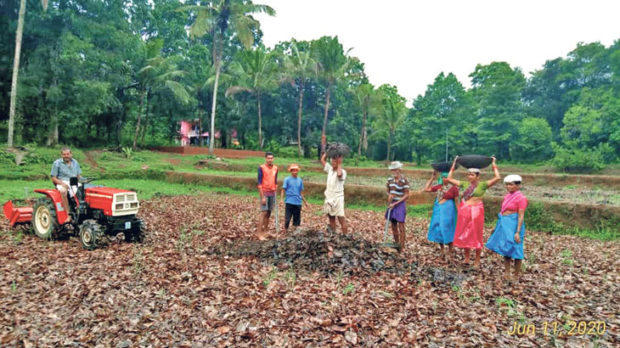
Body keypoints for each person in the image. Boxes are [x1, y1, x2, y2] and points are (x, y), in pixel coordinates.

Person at [444, 156, 501, 269]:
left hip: (477, 211)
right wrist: (454, 163)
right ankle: (466, 258)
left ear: (478, 176)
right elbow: (449, 178)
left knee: (476, 234)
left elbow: (498, 177)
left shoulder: (483, 185)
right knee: (466, 233)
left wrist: (494, 163)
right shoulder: (464, 184)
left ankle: (477, 260)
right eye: (468, 174)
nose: (469, 176)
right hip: (465, 210)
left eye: (472, 174)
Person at [486, 175, 528, 281]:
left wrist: (517, 232)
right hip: (505, 224)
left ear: (518, 185)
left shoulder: (521, 198)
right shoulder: (507, 196)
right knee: (506, 249)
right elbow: (502, 212)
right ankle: (507, 273)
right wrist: (496, 227)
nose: (508, 187)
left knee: (517, 249)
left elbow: (520, 215)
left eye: (511, 184)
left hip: (514, 225)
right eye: (507, 184)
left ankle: (516, 275)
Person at [424, 170, 459, 261]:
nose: (444, 179)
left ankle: (451, 249)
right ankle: (442, 249)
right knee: (438, 227)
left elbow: (456, 202)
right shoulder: (439, 187)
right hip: (438, 209)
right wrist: (432, 177)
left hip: (448, 210)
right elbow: (426, 189)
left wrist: (459, 212)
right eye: (443, 177)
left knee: (447, 227)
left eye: (446, 177)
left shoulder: (454, 188)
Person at [50, 147, 82, 223]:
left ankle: (79, 208)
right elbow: (53, 178)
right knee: (63, 191)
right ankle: (68, 214)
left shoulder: (75, 162)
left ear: (71, 154)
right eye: (64, 154)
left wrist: (84, 181)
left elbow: (78, 176)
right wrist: (62, 184)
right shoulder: (57, 163)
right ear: (61, 155)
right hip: (62, 181)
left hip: (74, 181)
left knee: (84, 190)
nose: (66, 156)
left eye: (68, 154)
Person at [385, 161, 410, 252]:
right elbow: (388, 190)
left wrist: (396, 203)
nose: (394, 172)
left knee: (401, 225)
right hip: (391, 203)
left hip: (400, 203)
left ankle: (402, 246)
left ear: (399, 170)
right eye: (392, 170)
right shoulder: (389, 180)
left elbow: (407, 195)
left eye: (396, 170)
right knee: (393, 224)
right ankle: (396, 244)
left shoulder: (404, 180)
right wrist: (389, 195)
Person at [320, 152, 348, 234]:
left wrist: (339, 164)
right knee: (331, 217)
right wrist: (327, 152)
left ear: (339, 161)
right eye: (332, 160)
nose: (333, 162)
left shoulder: (343, 171)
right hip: (329, 197)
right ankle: (333, 235)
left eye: (335, 161)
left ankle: (345, 237)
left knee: (341, 218)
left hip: (338, 198)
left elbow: (339, 175)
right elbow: (322, 160)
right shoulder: (330, 169)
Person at [280, 164, 309, 234]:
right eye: (293, 170)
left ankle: (294, 233)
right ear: (291, 171)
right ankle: (285, 230)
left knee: (296, 220)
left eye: (296, 170)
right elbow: (283, 190)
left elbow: (301, 193)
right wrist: (281, 199)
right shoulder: (287, 179)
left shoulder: (300, 180)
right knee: (287, 219)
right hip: (289, 201)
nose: (295, 172)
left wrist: (305, 202)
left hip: (298, 202)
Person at [256, 152, 278, 240]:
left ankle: (265, 231)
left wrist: (275, 189)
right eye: (268, 158)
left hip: (272, 192)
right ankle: (259, 233)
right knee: (263, 212)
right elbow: (259, 183)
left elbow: (275, 181)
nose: (270, 160)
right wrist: (262, 197)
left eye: (271, 158)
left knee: (268, 213)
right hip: (264, 192)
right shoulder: (261, 168)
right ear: (266, 159)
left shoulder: (276, 168)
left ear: (273, 159)